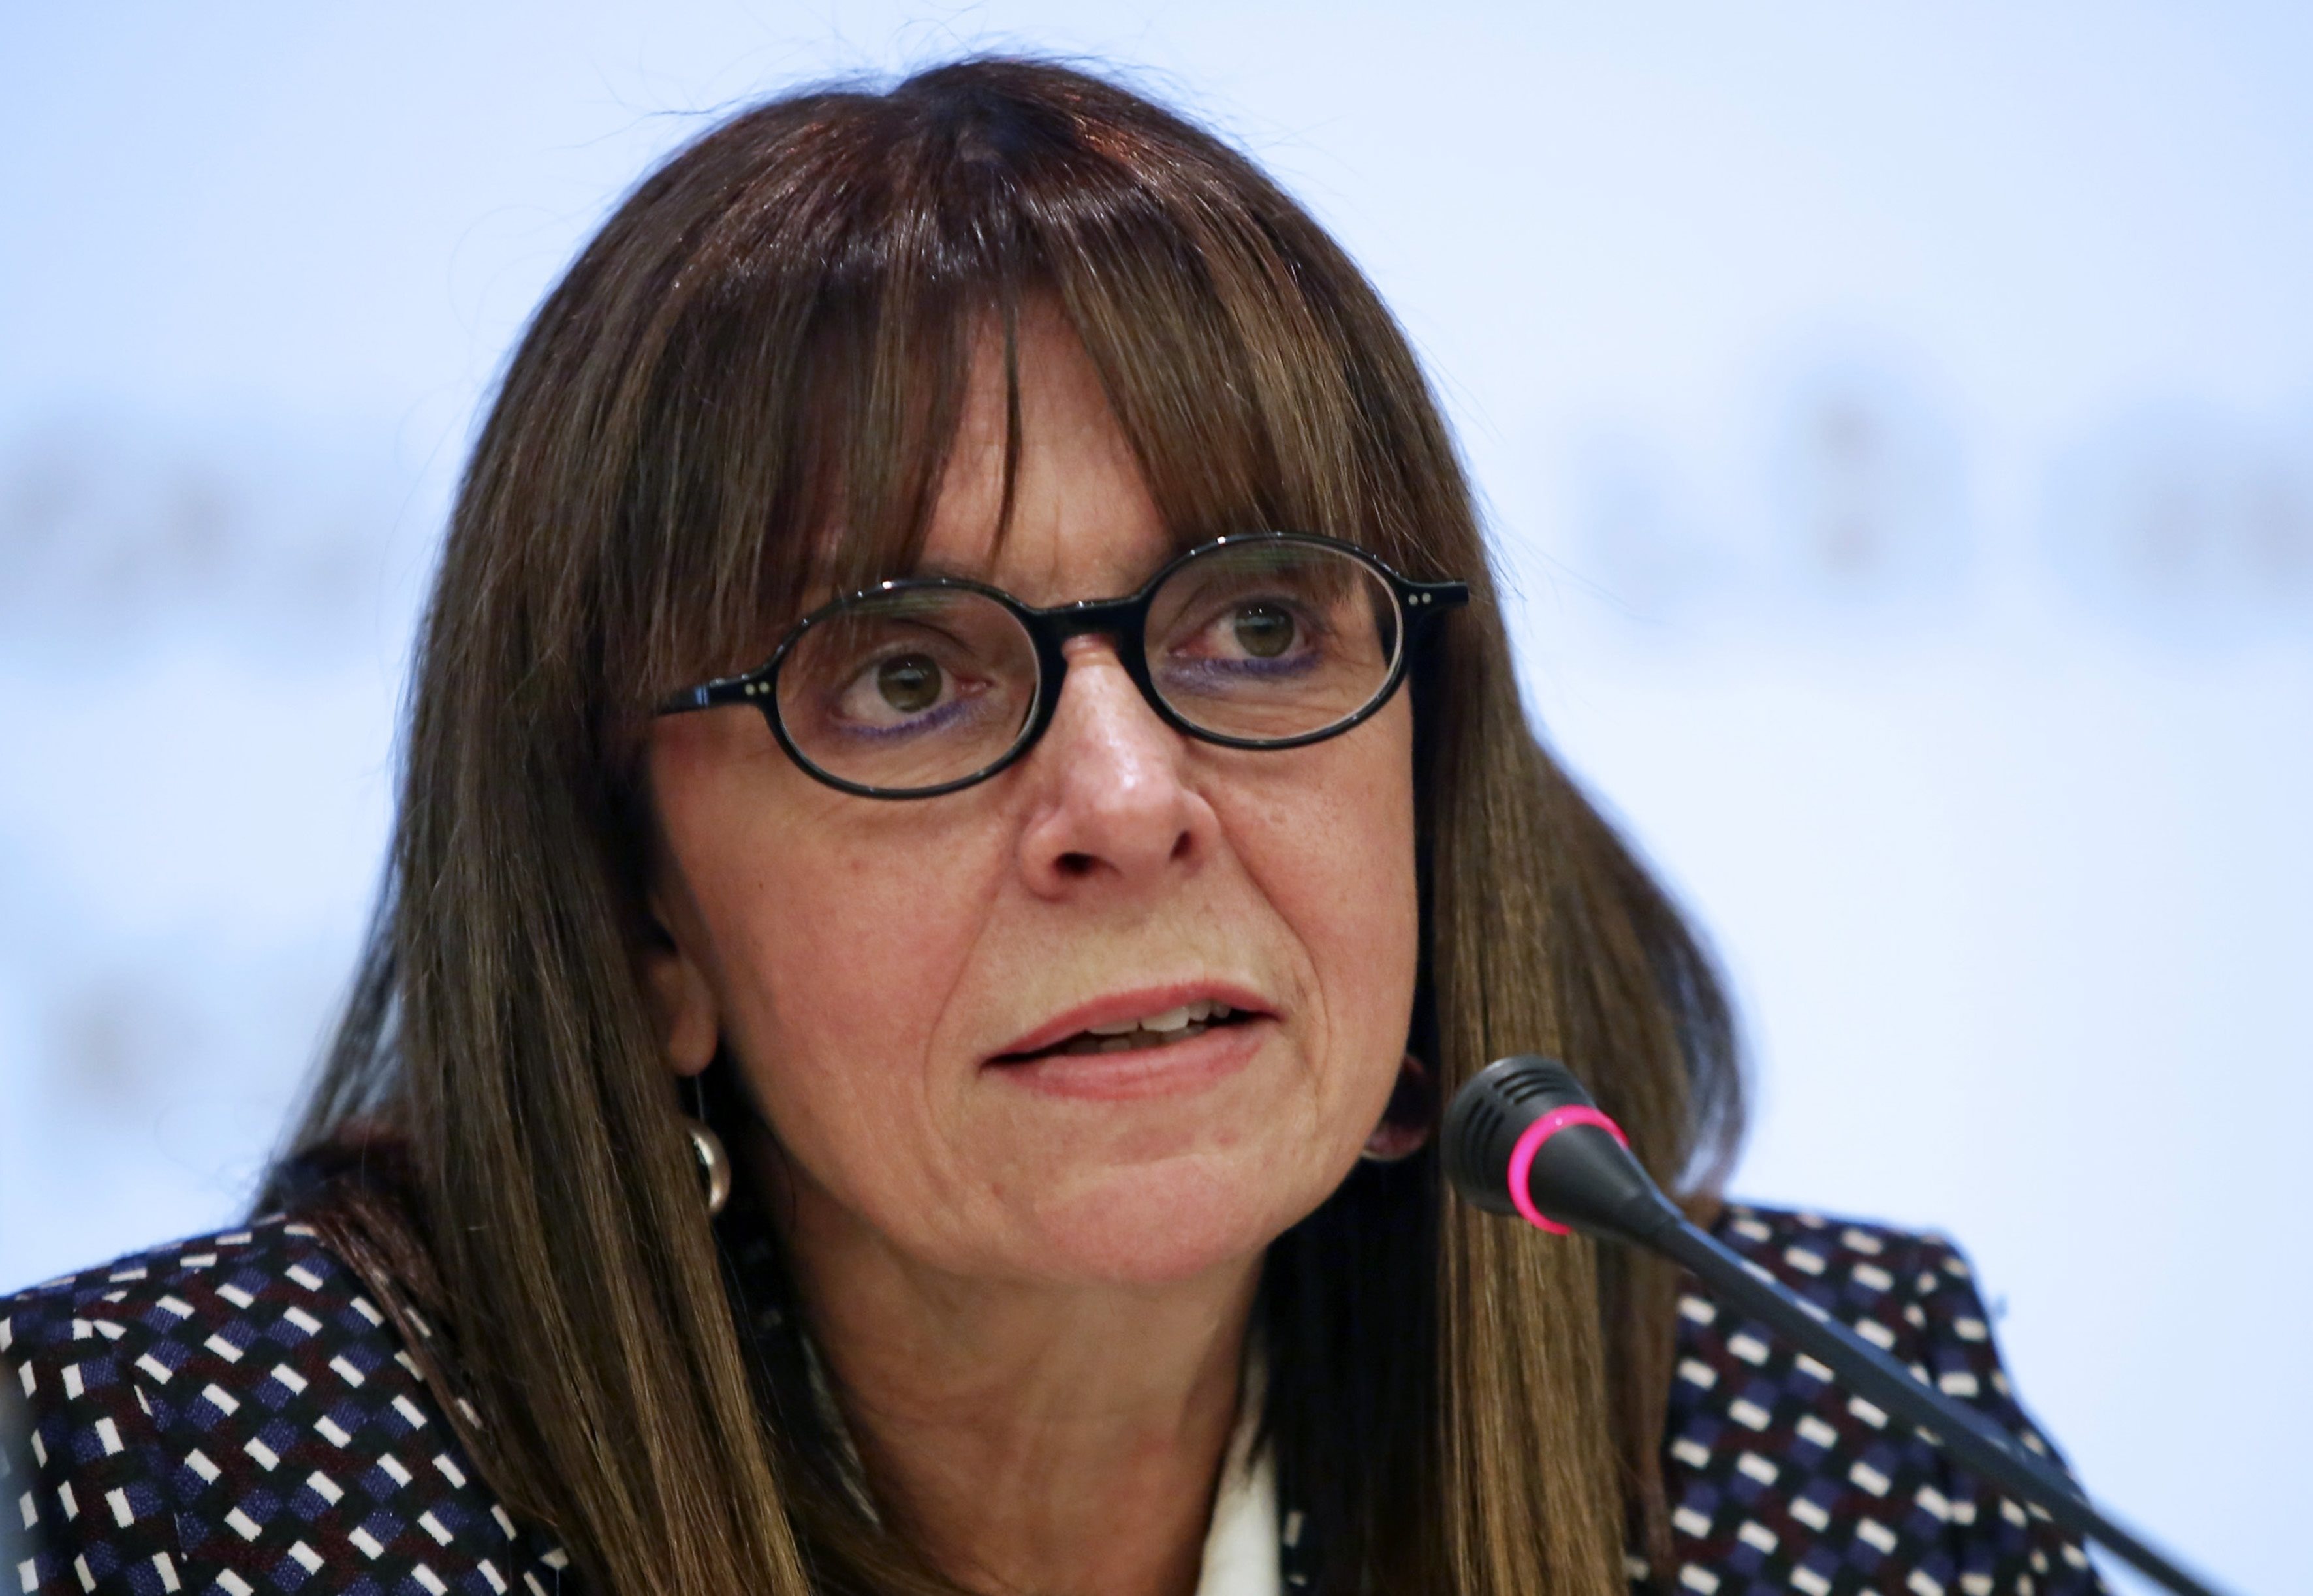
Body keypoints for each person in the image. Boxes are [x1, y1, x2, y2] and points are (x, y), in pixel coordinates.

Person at [2, 58, 2105, 1596]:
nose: (1128, 803)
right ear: (640, 917)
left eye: (1259, 628)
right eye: (903, 677)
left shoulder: (1822, 1448)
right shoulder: (204, 1487)